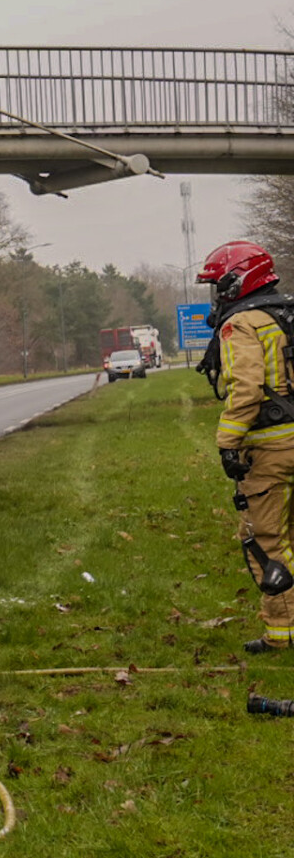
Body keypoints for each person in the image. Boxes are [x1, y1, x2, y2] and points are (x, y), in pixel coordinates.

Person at [197, 240, 294, 653]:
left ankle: (283, 635)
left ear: (236, 282)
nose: (216, 296)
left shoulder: (241, 323)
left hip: (271, 450)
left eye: (218, 286)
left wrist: (227, 442)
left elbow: (247, 388)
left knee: (268, 539)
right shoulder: (286, 314)